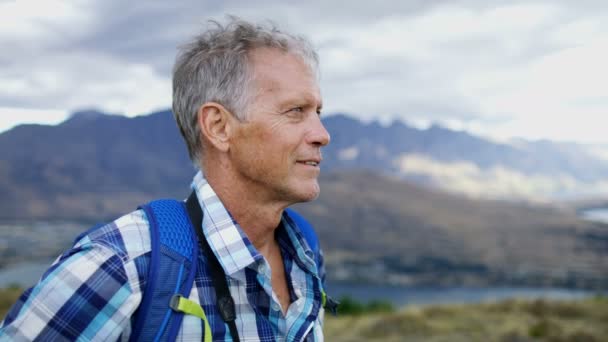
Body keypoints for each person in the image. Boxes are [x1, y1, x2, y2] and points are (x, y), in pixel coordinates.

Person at [0, 17, 331, 341]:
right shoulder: (119, 267)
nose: (322, 135)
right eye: (295, 111)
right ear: (218, 127)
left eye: (317, 112)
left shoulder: (303, 252)